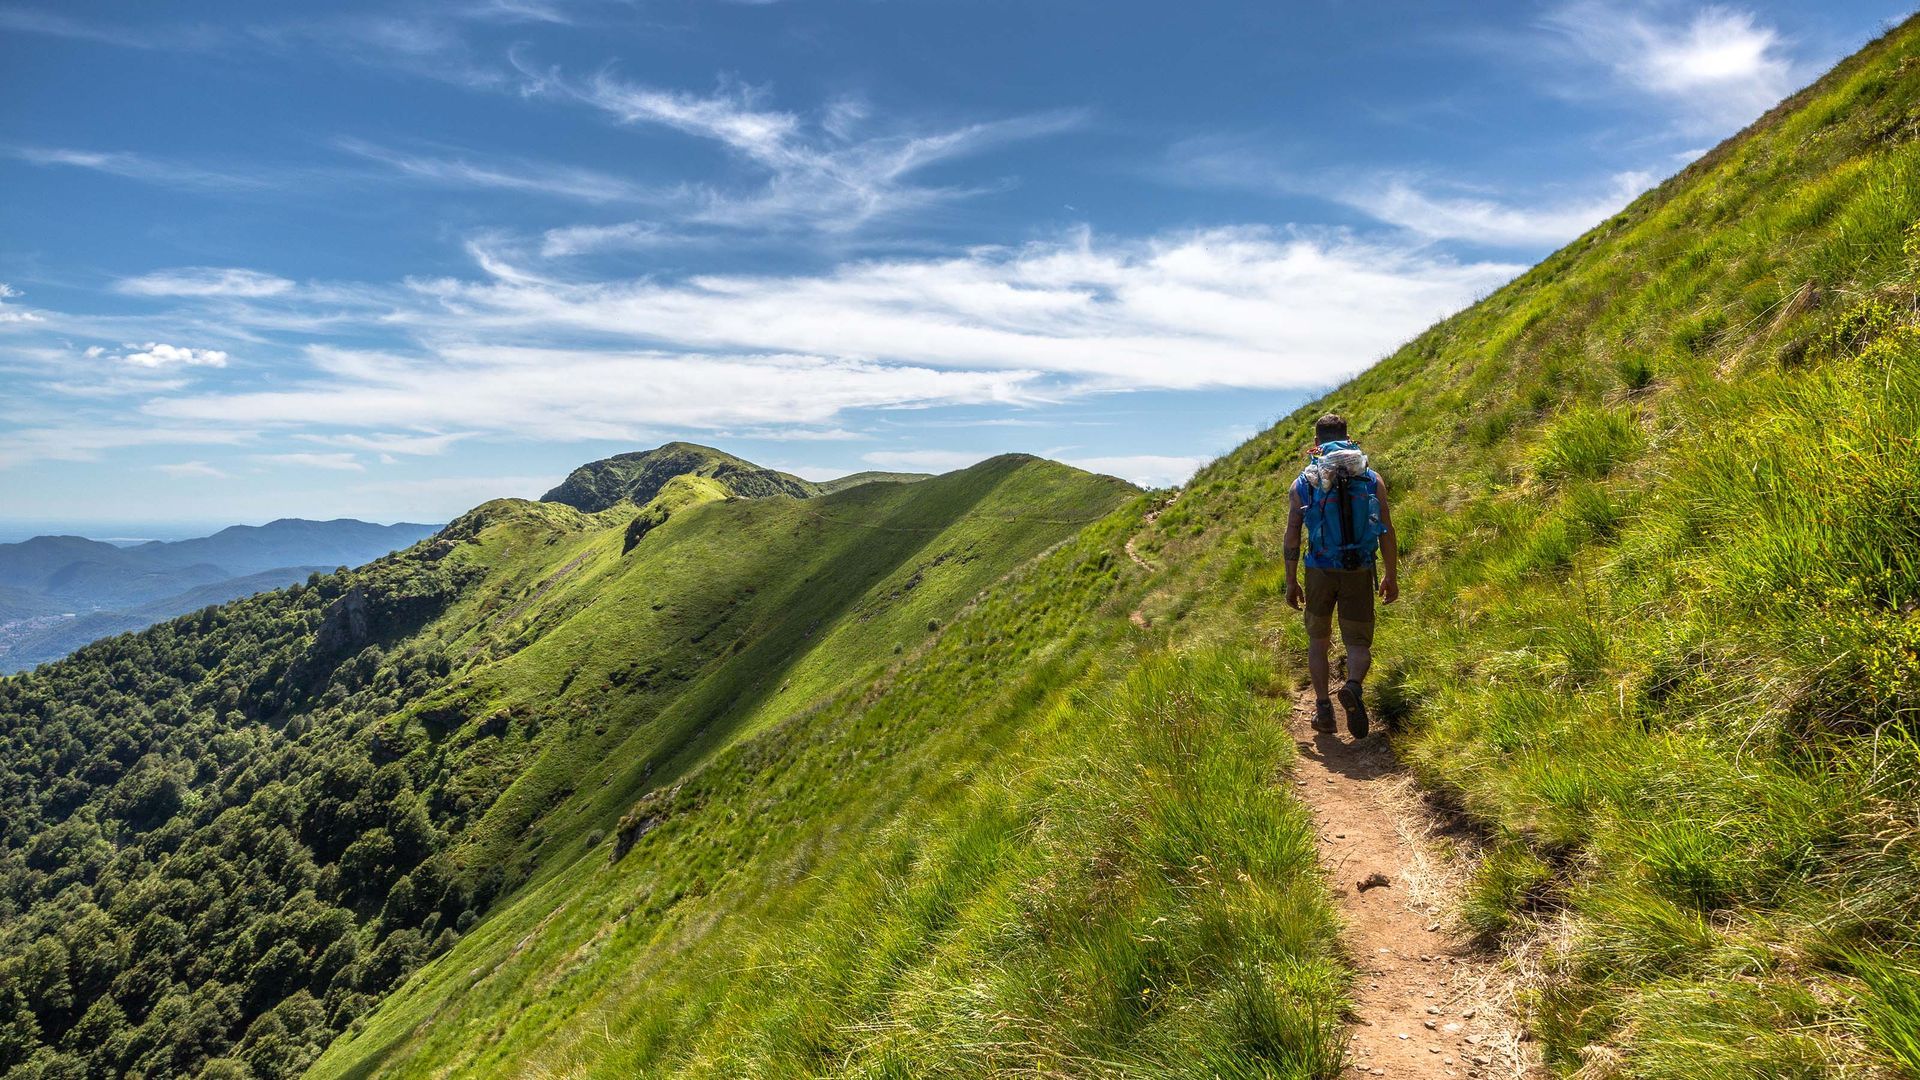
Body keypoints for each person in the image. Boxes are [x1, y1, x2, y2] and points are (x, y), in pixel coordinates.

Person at [1284, 413, 1398, 737]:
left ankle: (1324, 711)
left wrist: (1291, 581)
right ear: (1349, 438)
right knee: (1359, 645)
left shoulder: (1303, 484)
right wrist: (1391, 574)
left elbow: (1292, 537)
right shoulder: (1371, 479)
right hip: (1359, 568)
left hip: (1318, 569)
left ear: (1316, 443)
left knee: (1317, 642)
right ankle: (1352, 686)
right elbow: (1386, 531)